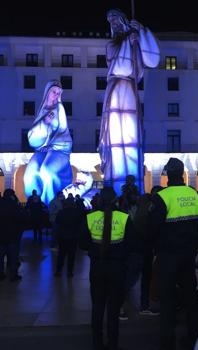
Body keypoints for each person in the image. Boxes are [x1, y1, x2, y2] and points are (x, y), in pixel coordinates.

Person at [98, 8, 160, 195]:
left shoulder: (135, 40)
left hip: (131, 91)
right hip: (116, 89)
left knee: (132, 136)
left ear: (124, 21)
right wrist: (130, 41)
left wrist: (141, 32)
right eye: (111, 22)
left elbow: (153, 60)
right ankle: (116, 183)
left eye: (116, 20)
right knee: (116, 137)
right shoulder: (111, 45)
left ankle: (133, 180)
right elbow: (122, 64)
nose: (114, 23)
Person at [150, 157, 198, 350]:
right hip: (189, 254)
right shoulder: (193, 194)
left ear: (167, 174)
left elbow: (152, 227)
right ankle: (194, 338)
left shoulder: (162, 197)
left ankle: (167, 342)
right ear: (181, 173)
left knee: (168, 299)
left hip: (168, 255)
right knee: (190, 297)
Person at [79, 186, 135, 350]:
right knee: (113, 309)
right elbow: (131, 244)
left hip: (97, 267)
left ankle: (97, 343)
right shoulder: (124, 217)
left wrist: (94, 249)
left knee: (97, 307)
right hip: (117, 268)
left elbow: (82, 244)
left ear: (99, 199)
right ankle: (113, 344)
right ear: (115, 200)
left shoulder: (90, 217)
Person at [23, 79, 72, 205]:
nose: (56, 94)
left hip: (58, 148)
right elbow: (33, 135)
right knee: (30, 175)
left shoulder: (59, 108)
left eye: (58, 92)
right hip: (42, 149)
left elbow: (63, 129)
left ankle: (50, 204)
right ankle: (34, 203)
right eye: (54, 92)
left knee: (47, 171)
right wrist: (44, 123)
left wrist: (52, 144)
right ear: (48, 92)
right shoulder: (42, 110)